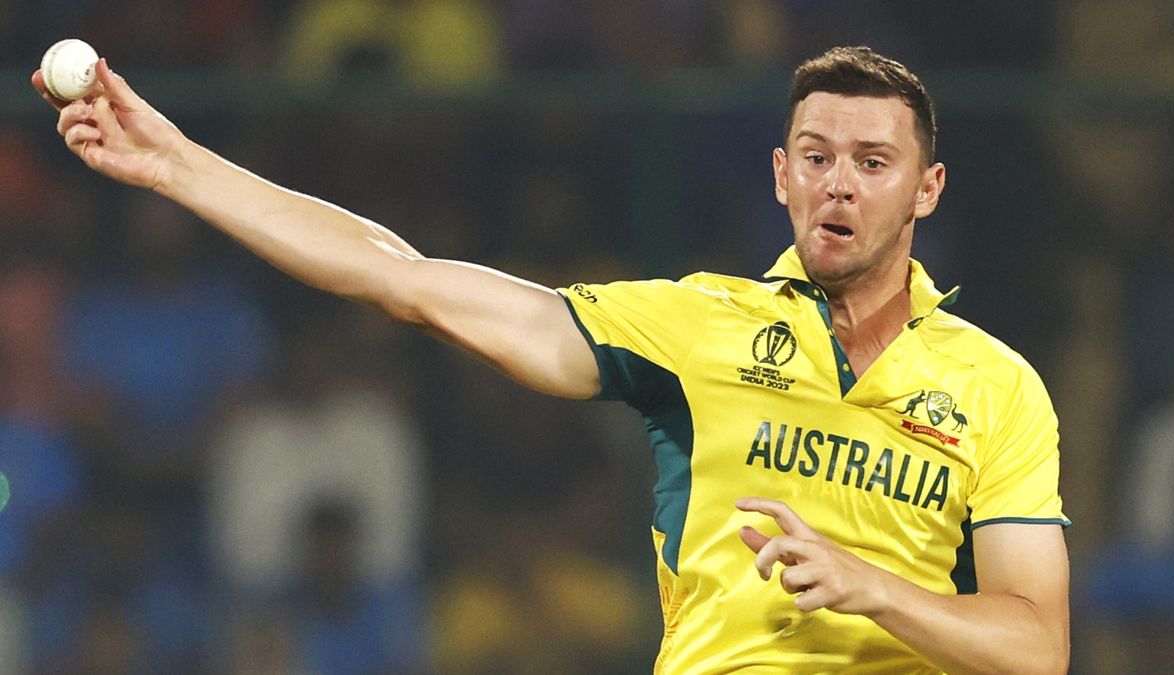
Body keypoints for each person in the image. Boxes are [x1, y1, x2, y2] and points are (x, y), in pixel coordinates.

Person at [34, 46, 1070, 673]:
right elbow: (405, 281)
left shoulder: (998, 388)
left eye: (872, 162)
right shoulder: (695, 327)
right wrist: (179, 166)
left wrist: (872, 588)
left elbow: (1038, 646)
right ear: (779, 174)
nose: (837, 184)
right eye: (815, 156)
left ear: (927, 190)